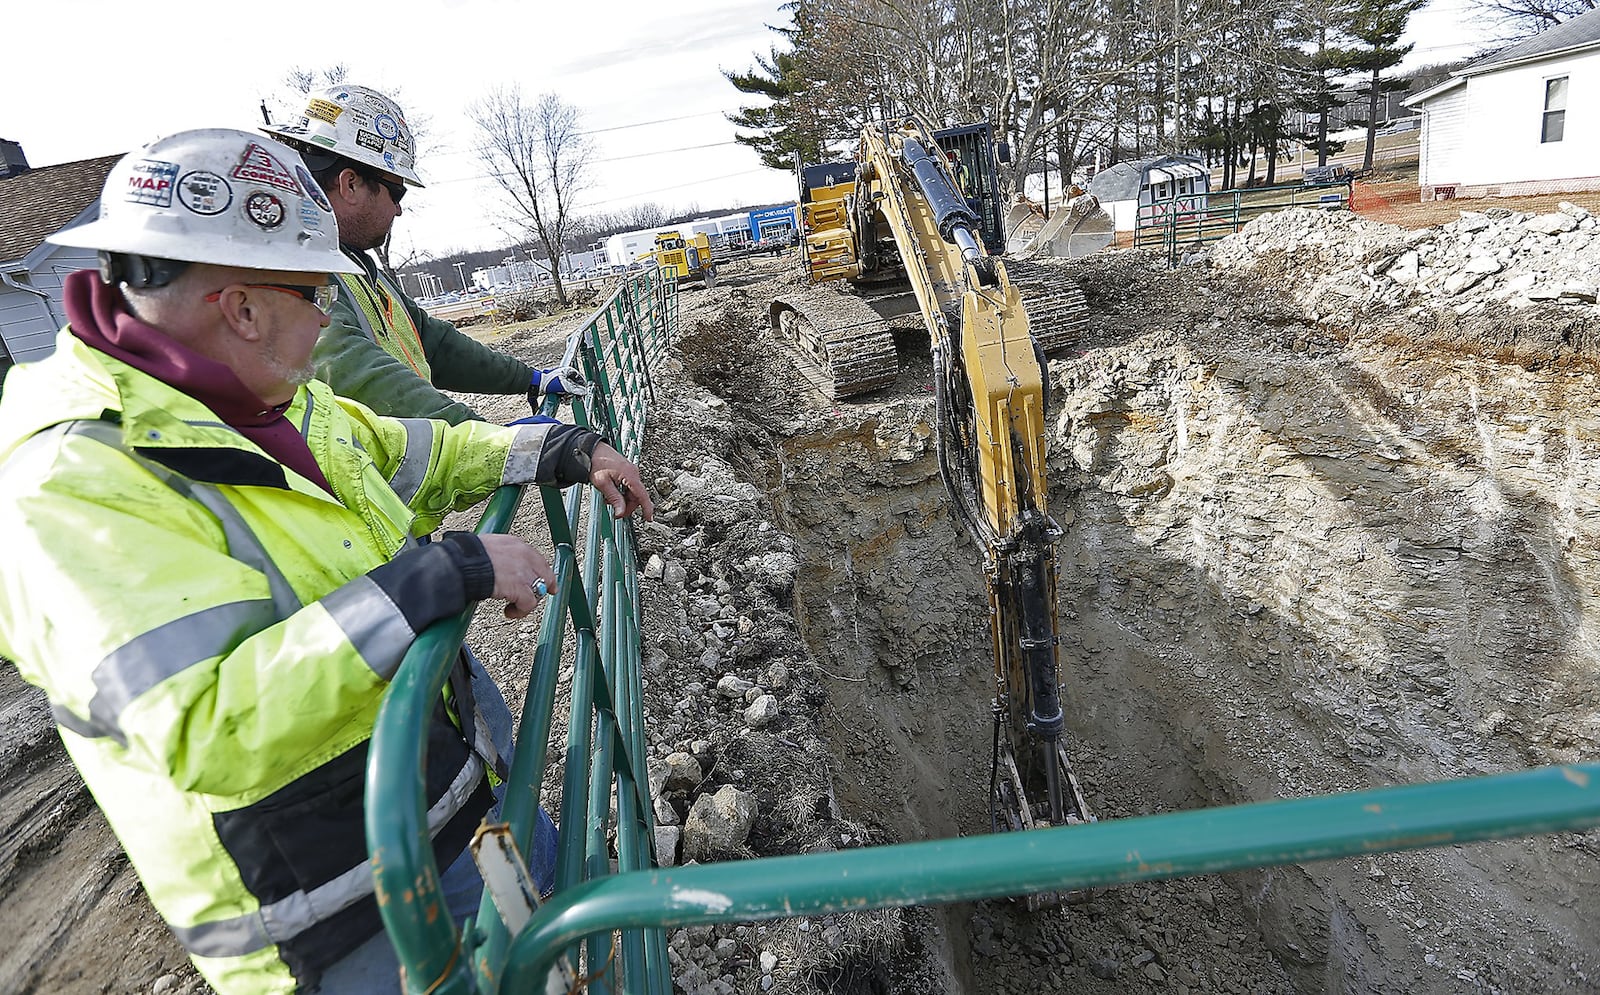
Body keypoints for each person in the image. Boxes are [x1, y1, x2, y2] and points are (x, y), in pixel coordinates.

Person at [0, 129, 652, 994]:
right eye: (315, 293)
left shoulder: (270, 395)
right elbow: (204, 726)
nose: (326, 318)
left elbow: (410, 449)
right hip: (339, 913)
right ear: (241, 307)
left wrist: (557, 447)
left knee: (570, 932)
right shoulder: (71, 483)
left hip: (440, 790)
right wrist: (439, 576)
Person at [263, 84, 566, 426]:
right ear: (350, 184)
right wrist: (496, 443)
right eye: (397, 193)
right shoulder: (293, 272)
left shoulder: (355, 266)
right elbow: (354, 373)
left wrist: (527, 378)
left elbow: (433, 343)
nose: (398, 211)